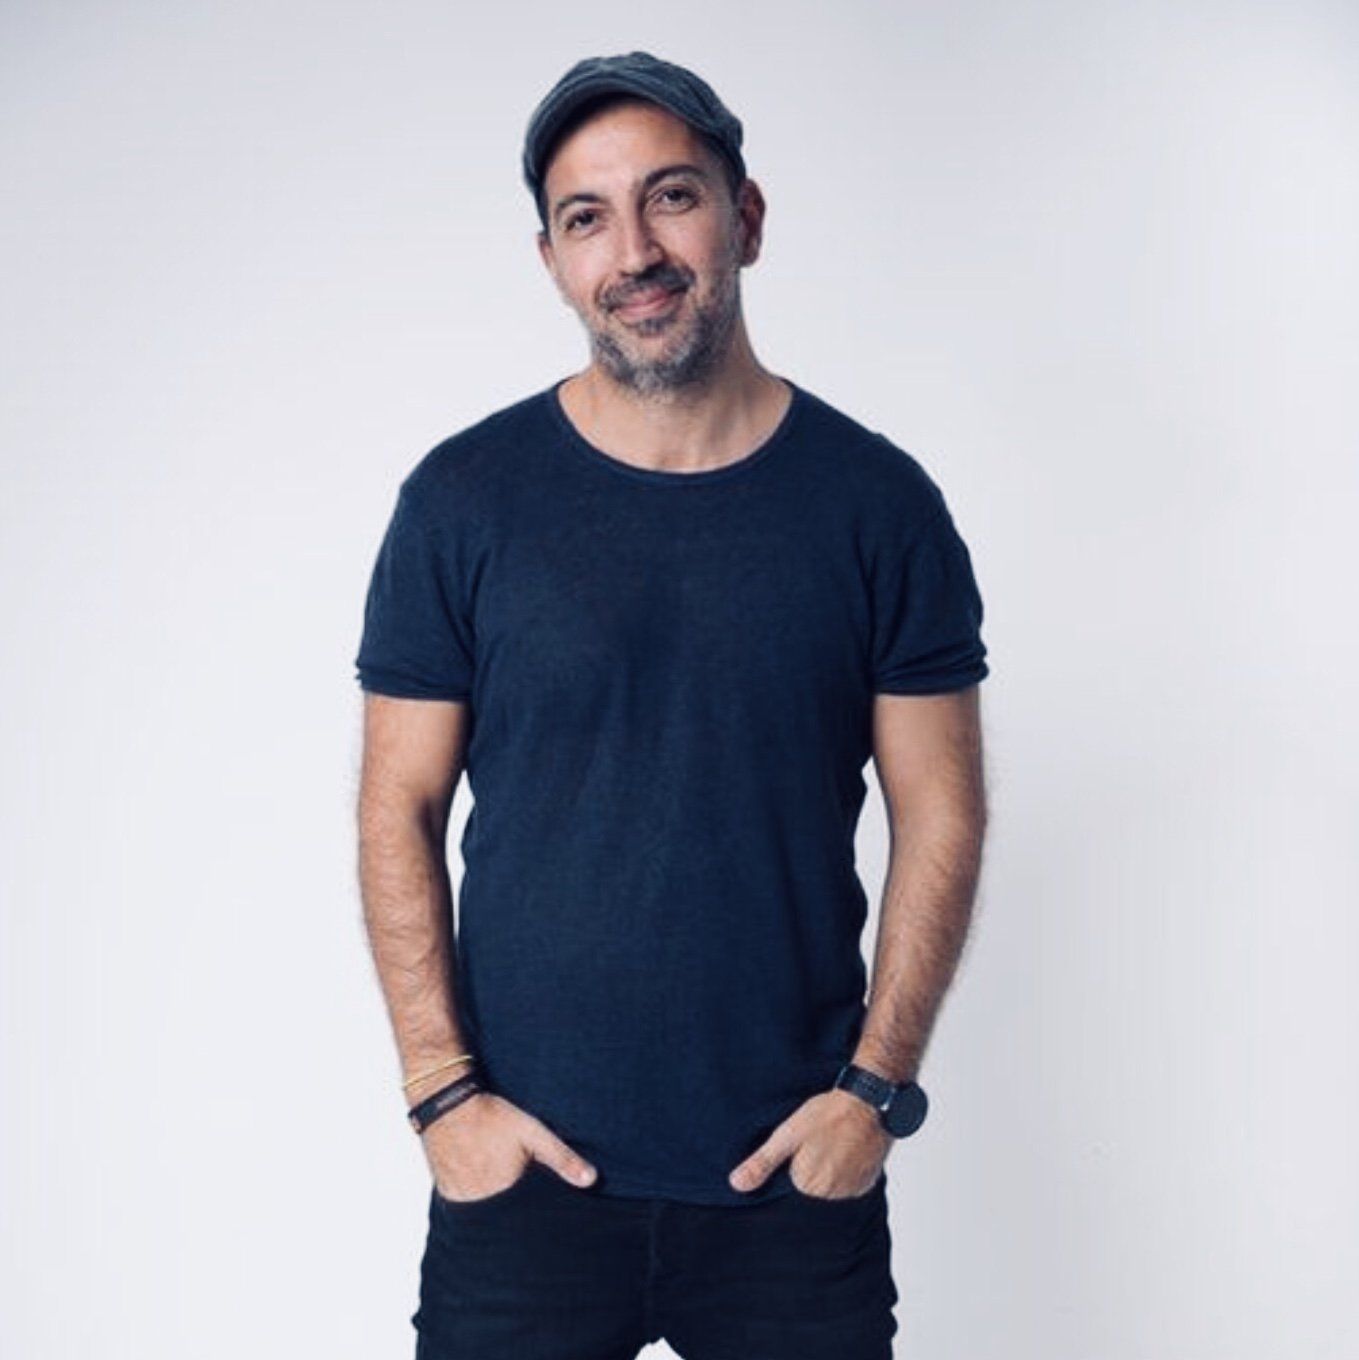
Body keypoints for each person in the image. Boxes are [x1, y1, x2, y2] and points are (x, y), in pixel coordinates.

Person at [354, 50, 990, 1360]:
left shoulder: (878, 507)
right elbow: (395, 806)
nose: (635, 251)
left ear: (745, 215)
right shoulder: (462, 503)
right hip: (521, 1185)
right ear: (552, 260)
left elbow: (943, 812)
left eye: (672, 197)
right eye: (588, 217)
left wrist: (874, 1094)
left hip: (789, 1188)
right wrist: (441, 1096)